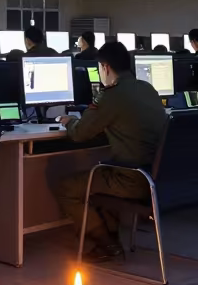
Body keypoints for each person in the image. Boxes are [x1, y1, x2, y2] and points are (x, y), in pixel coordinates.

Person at [52, 42, 166, 261]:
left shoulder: (112, 95)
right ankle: (109, 238)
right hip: (156, 176)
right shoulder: (148, 89)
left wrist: (69, 120)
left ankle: (106, 243)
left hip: (131, 179)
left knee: (66, 187)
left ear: (105, 68)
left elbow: (79, 134)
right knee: (102, 169)